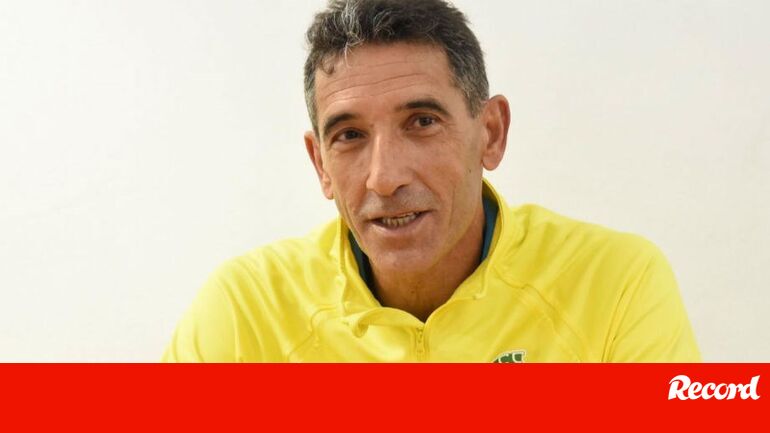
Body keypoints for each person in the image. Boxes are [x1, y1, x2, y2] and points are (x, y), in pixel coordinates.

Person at [162, 0, 700, 362]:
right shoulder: (245, 308)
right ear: (320, 164)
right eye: (349, 136)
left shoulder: (615, 283)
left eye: (422, 122)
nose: (384, 178)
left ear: (490, 133)